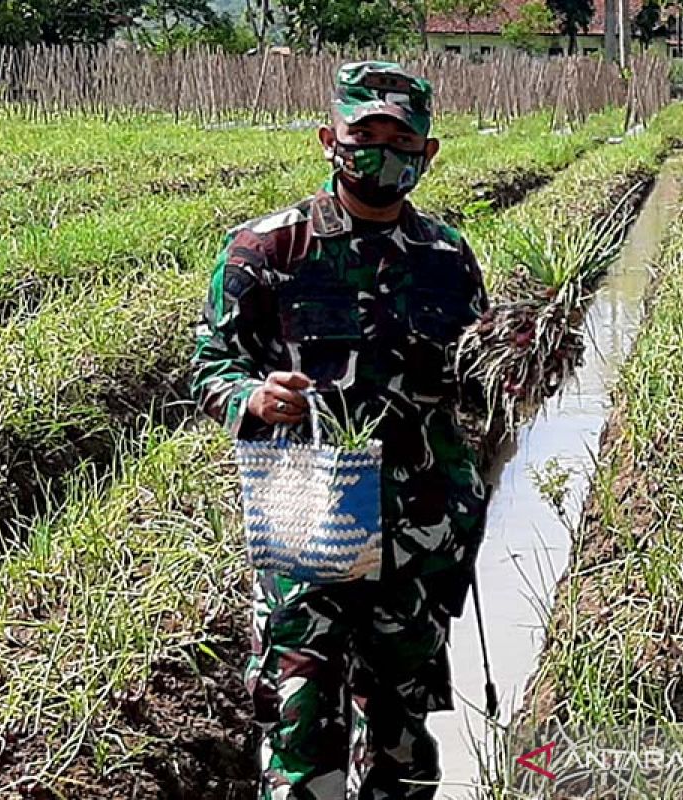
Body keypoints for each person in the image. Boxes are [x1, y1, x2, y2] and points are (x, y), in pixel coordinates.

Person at [190, 60, 490, 799]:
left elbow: (479, 380)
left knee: (402, 732)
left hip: (419, 533)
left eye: (400, 139)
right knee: (298, 734)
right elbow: (209, 366)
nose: (380, 151)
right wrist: (254, 397)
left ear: (428, 152)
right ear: (330, 138)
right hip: (308, 522)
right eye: (364, 134)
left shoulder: (447, 258)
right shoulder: (266, 251)